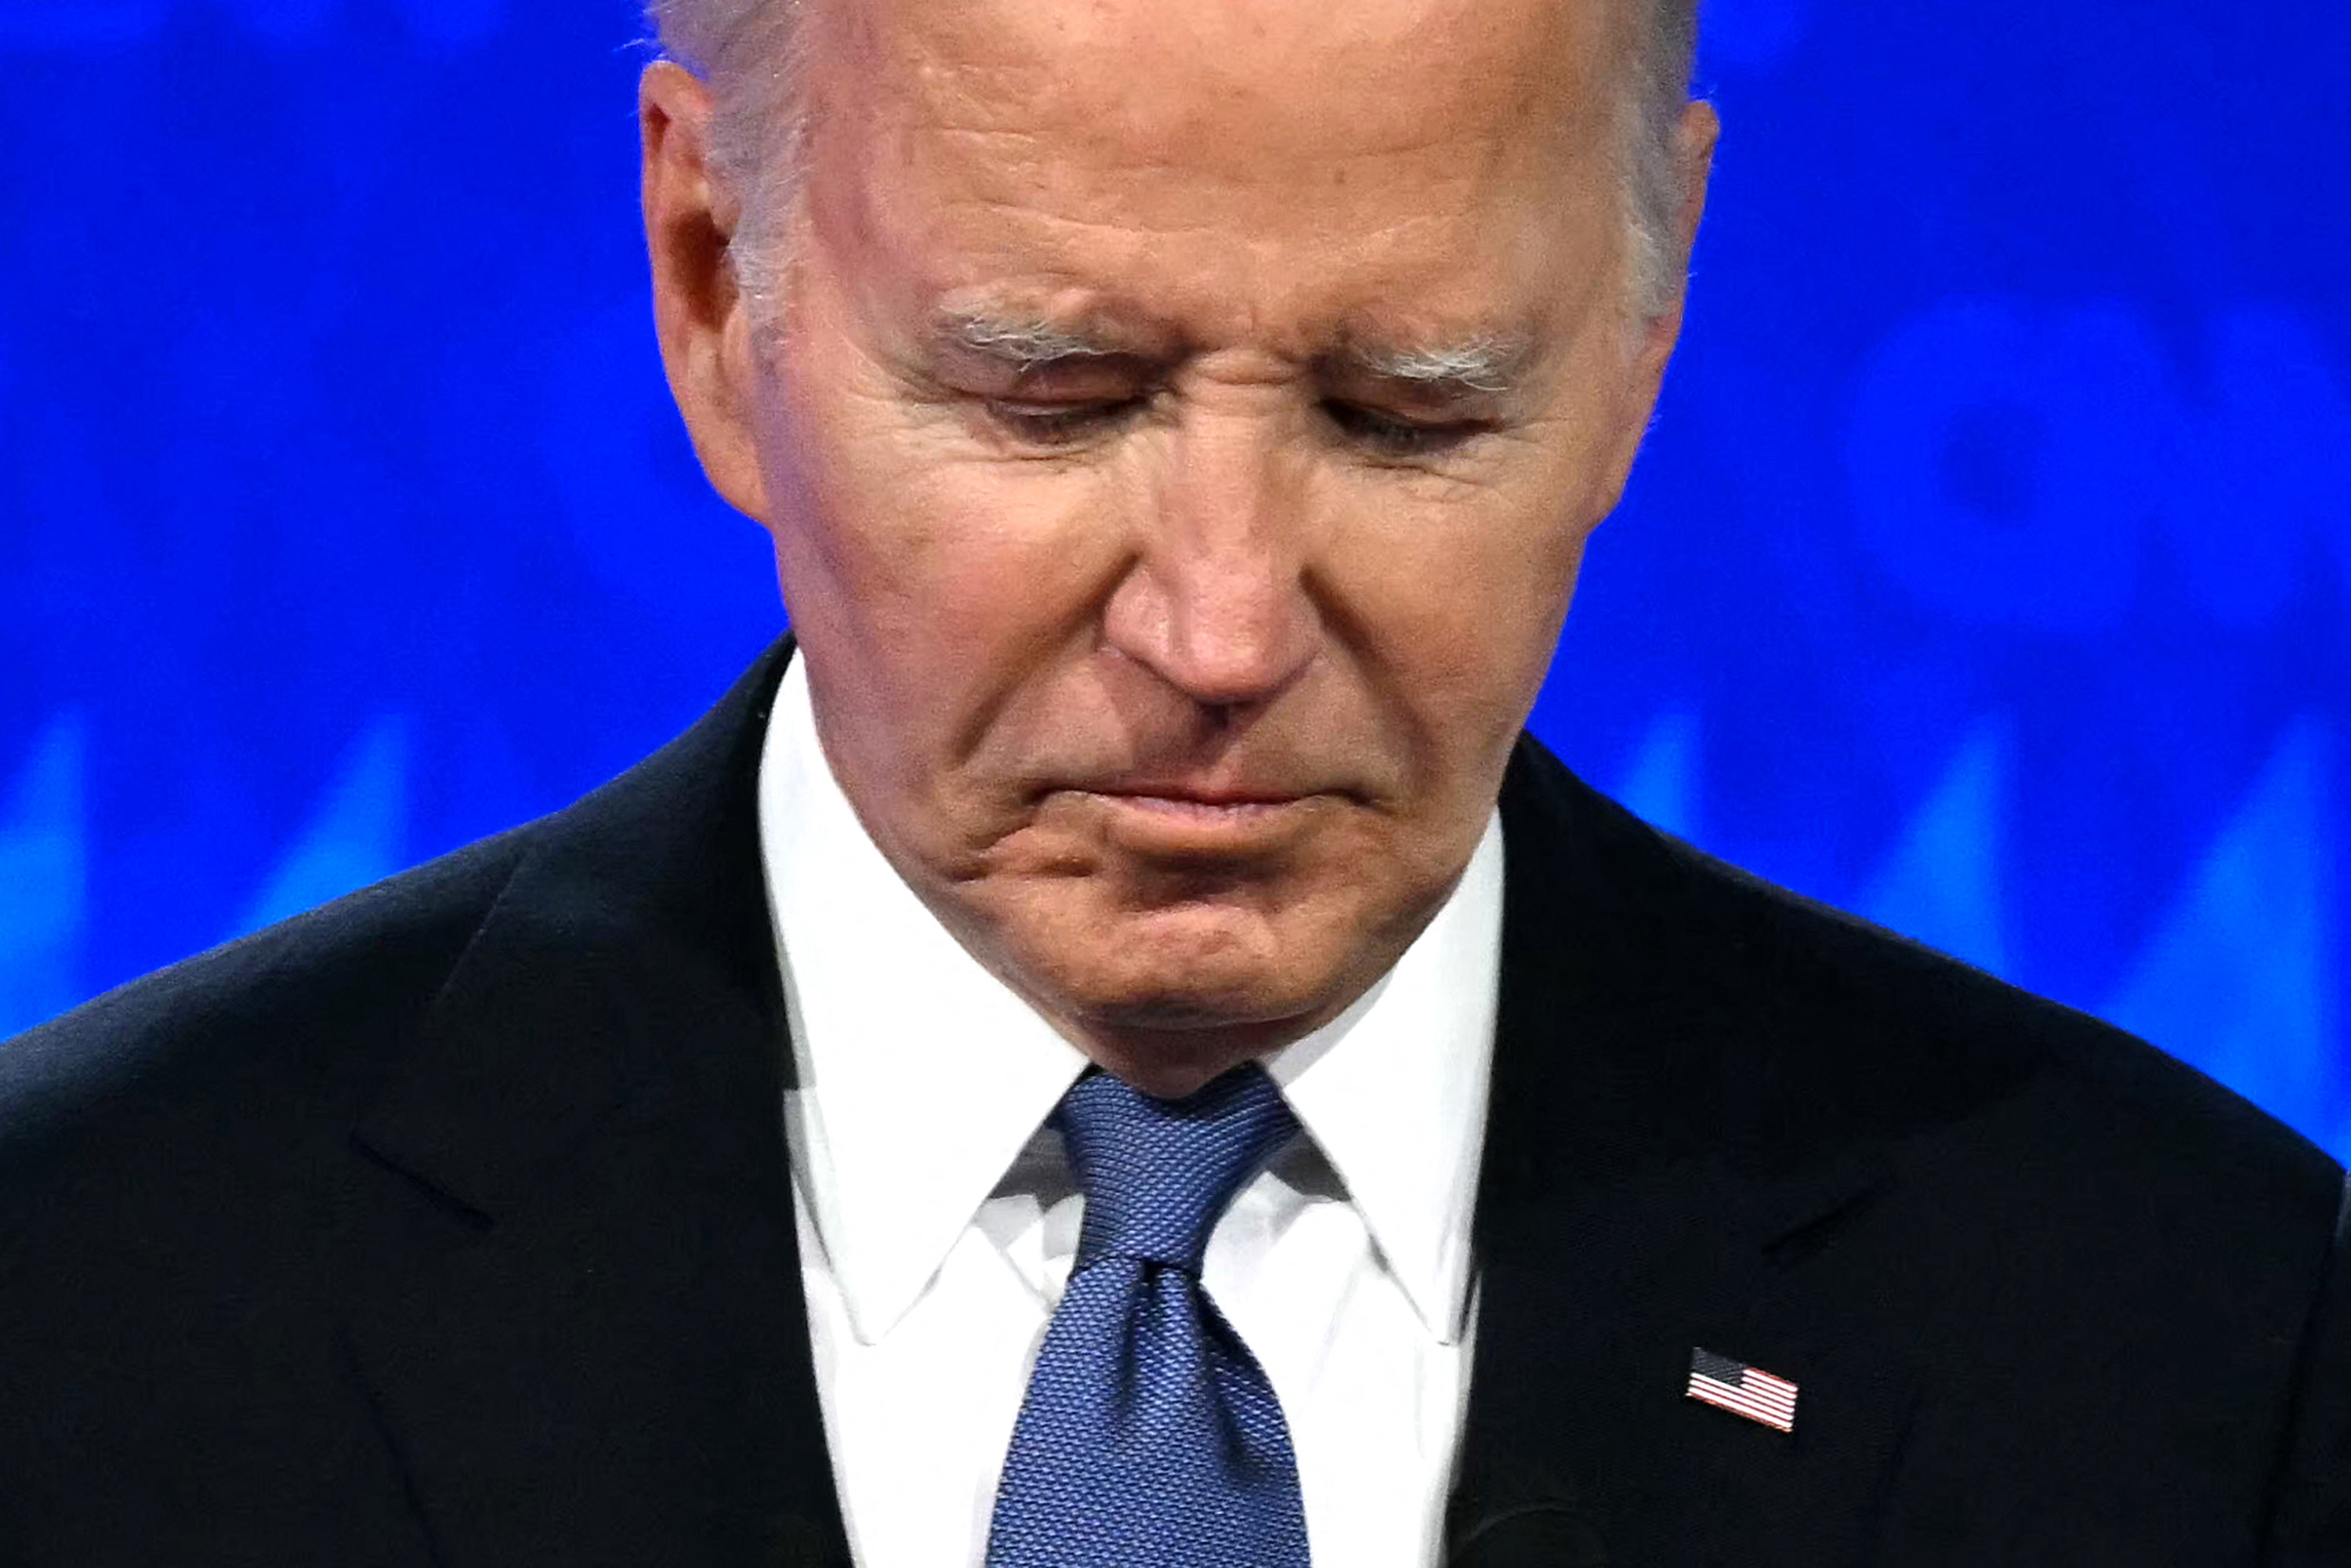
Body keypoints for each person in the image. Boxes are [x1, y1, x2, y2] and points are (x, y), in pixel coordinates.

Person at [0, 0, 2342, 1562]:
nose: (1222, 630)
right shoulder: (83, 1293)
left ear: (1645, 329)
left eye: (1411, 411)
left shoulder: (2193, 1344)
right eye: (1054, 397)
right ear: (719, 282)